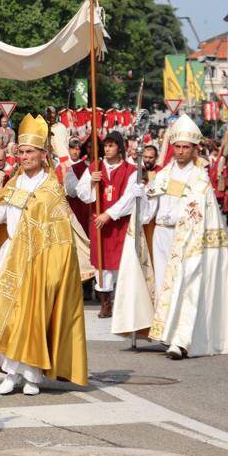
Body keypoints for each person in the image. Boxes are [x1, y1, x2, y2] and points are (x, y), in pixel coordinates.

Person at [0, 114, 88, 395]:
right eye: (21, 152)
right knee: (8, 314)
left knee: (34, 316)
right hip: (11, 255)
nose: (24, 157)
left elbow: (60, 232)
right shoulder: (13, 183)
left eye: (29, 152)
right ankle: (11, 371)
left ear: (42, 154)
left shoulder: (51, 188)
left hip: (40, 259)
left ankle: (32, 373)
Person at [116, 114, 228, 359]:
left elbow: (204, 217)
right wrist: (140, 196)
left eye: (185, 147)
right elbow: (147, 216)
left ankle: (182, 340)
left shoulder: (200, 181)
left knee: (185, 286)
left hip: (189, 240)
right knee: (165, 287)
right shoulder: (163, 176)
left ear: (194, 149)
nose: (180, 151)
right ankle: (167, 333)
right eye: (177, 146)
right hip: (162, 238)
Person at [73, 132, 137, 319]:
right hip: (98, 224)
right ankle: (105, 303)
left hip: (118, 223)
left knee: (121, 261)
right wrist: (92, 183)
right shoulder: (95, 167)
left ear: (119, 147)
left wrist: (109, 214)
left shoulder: (130, 170)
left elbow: (129, 197)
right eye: (106, 145)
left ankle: (122, 300)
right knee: (101, 264)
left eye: (112, 145)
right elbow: (81, 193)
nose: (108, 149)